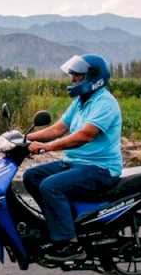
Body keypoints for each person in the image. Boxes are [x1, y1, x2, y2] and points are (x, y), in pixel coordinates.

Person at [24, 54, 123, 262]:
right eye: (73, 75)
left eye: (78, 75)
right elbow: (59, 128)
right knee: (32, 176)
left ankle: (70, 242)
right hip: (75, 164)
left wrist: (47, 147)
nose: (73, 80)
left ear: (94, 77)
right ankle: (58, 223)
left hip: (100, 169)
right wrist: (23, 138)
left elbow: (84, 135)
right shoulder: (81, 102)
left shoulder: (105, 103)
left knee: (51, 186)